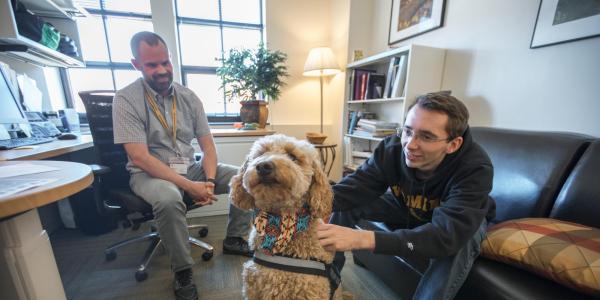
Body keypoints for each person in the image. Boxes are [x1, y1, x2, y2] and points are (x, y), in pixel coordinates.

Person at [113, 31, 252, 300]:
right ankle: (183, 271)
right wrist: (190, 186)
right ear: (136, 64)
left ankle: (235, 238)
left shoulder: (189, 97)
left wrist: (209, 181)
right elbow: (140, 157)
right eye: (152, 65)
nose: (162, 70)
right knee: (168, 199)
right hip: (148, 174)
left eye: (165, 62)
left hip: (189, 167)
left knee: (243, 177)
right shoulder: (126, 100)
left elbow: (208, 147)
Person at [317, 92, 495, 300]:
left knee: (457, 245)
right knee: (348, 204)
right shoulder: (391, 149)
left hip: (455, 221)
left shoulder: (475, 168)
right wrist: (302, 202)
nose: (410, 145)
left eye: (426, 137)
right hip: (405, 206)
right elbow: (355, 188)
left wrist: (363, 238)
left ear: (453, 144)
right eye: (408, 131)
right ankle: (327, 284)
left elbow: (446, 235)